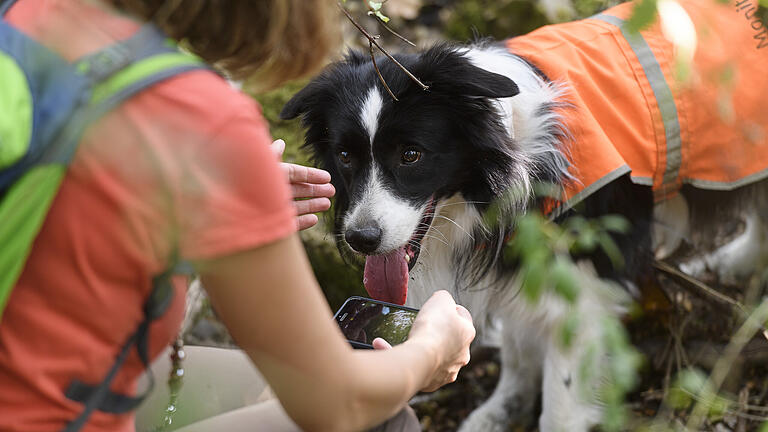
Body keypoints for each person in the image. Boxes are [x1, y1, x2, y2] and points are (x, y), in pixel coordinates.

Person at [0, 0, 476, 431]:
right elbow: (338, 402)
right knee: (381, 421)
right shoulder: (199, 119)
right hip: (46, 415)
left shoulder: (25, 17)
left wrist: (210, 218)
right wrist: (431, 350)